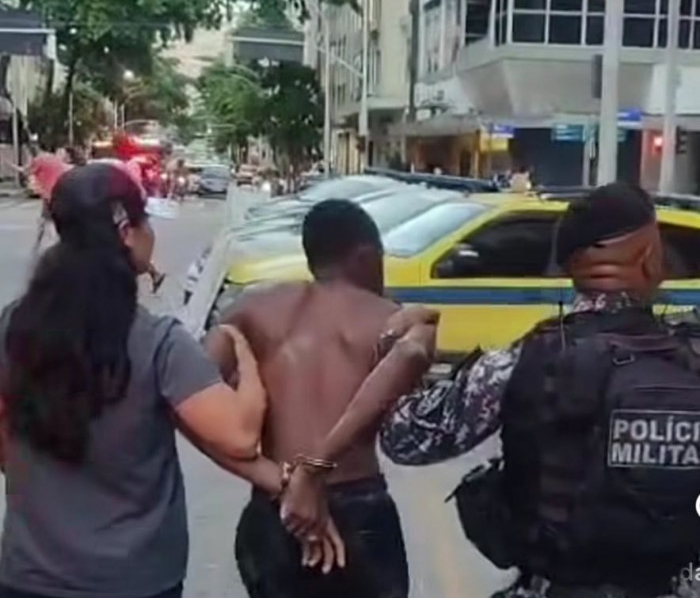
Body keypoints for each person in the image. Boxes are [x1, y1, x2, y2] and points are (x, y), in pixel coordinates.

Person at [380, 183, 700, 598]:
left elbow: (405, 439)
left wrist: (404, 353)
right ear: (648, 257)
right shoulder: (689, 358)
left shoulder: (519, 363)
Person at [0, 161, 275, 598]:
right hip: (133, 581)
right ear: (127, 232)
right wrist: (245, 353)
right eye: (146, 219)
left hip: (29, 576)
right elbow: (240, 436)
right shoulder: (157, 341)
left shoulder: (13, 325)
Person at [206, 198, 439, 598]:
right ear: (367, 256)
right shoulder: (390, 317)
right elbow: (411, 413)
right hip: (357, 502)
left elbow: (192, 395)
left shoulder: (250, 311)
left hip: (275, 503)